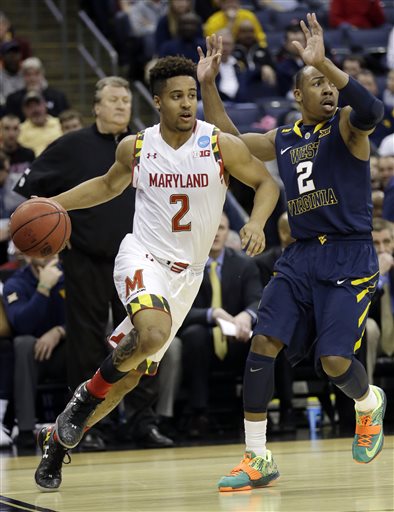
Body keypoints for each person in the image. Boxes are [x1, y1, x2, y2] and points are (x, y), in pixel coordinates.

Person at [32, 55, 279, 492]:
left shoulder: (220, 144)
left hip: (188, 277)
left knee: (127, 380)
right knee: (149, 334)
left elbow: (267, 184)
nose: (187, 104)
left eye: (191, 96)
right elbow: (108, 186)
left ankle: (57, 439)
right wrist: (57, 205)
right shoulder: (137, 146)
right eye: (177, 97)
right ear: (159, 101)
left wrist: (256, 222)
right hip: (143, 256)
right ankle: (83, 401)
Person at [197, 12, 386, 492]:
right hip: (300, 256)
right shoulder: (283, 139)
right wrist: (209, 87)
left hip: (348, 254)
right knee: (263, 344)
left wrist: (329, 62)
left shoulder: (347, 127)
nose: (328, 90)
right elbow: (229, 141)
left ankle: (368, 404)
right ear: (296, 96)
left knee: (334, 362)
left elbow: (374, 111)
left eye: (331, 83)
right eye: (316, 83)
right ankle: (256, 456)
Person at [180, 212, 262, 437]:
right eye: (212, 227)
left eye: (222, 228)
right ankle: (199, 414)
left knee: (262, 339)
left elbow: (258, 299)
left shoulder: (245, 265)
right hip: (202, 338)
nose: (216, 233)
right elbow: (180, 311)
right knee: (194, 336)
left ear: (229, 233)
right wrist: (212, 314)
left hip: (237, 335)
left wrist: (246, 315)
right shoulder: (186, 264)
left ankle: (253, 414)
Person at [2, 254, 67, 450]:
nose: (47, 252)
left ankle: (89, 425)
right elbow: (21, 325)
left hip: (65, 352)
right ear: (26, 254)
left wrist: (59, 331)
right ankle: (25, 430)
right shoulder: (15, 283)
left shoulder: (70, 277)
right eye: (39, 247)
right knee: (23, 343)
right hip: (30, 359)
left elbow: (86, 320)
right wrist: (43, 288)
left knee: (86, 341)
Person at [5, 56, 70, 121]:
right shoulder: (13, 99)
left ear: (42, 75)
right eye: (28, 74)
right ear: (23, 76)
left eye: (36, 74)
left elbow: (66, 119)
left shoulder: (58, 97)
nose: (32, 78)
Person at [18, 90, 62, 156]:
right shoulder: (19, 130)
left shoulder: (60, 124)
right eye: (30, 107)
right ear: (24, 110)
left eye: (37, 104)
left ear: (45, 105)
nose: (35, 110)